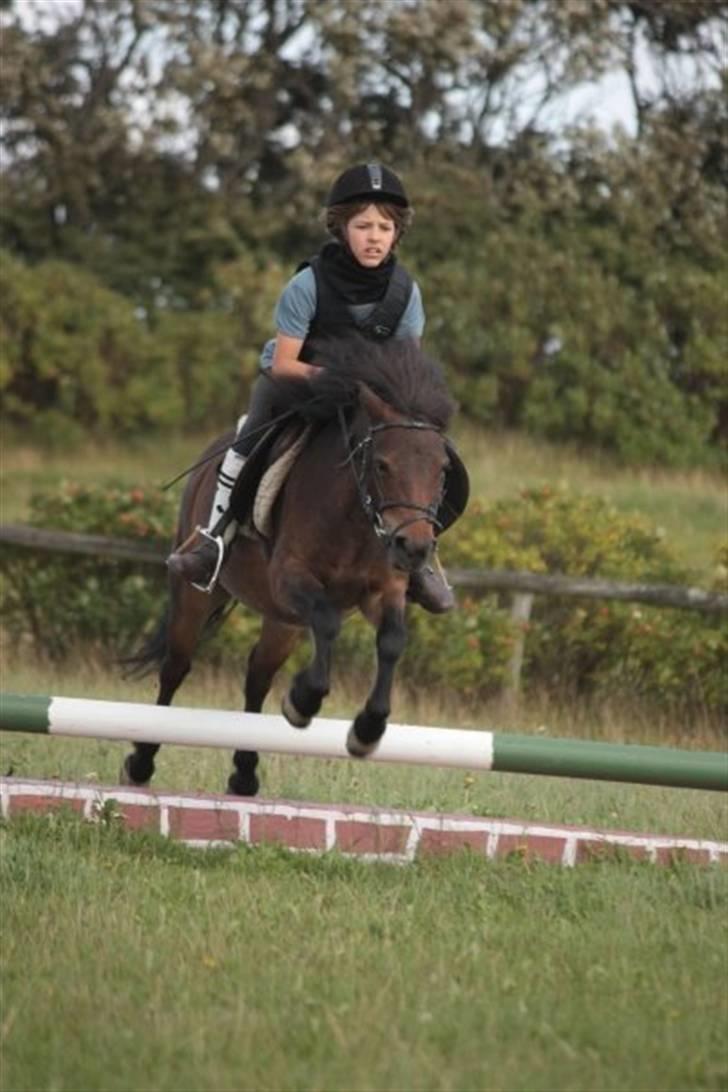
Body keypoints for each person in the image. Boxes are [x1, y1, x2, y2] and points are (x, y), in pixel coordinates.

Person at [167, 162, 454, 612]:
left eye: (385, 226)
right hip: (297, 385)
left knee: (426, 455)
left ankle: (422, 565)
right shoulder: (307, 284)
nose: (374, 236)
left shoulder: (406, 293)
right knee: (249, 439)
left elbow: (407, 368)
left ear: (397, 233)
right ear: (341, 228)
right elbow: (285, 363)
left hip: (366, 401)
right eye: (363, 226)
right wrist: (339, 380)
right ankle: (213, 542)